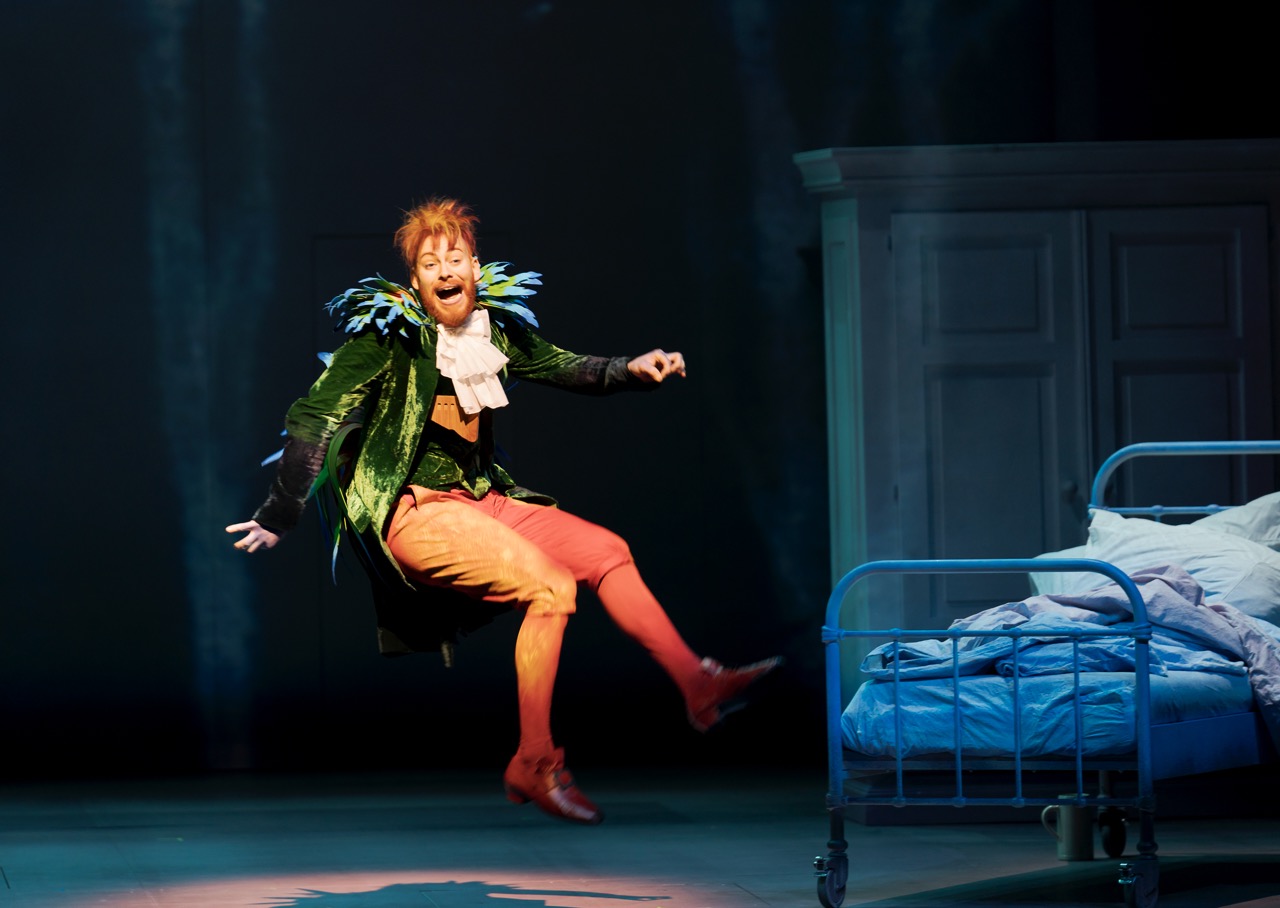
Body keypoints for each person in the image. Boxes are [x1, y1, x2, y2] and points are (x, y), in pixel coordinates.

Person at [226, 198, 780, 825]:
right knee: (550, 587)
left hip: (483, 501)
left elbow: (562, 365)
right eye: (430, 263)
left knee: (607, 552)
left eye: (455, 258)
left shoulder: (495, 329)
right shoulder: (387, 340)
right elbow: (315, 416)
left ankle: (697, 684)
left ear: (475, 267)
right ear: (415, 282)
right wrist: (280, 512)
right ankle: (534, 761)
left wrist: (630, 369)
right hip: (417, 511)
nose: (445, 270)